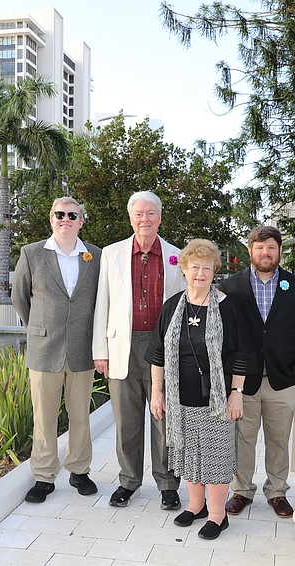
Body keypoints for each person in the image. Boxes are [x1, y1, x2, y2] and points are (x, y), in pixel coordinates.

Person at [146, 239, 247, 540]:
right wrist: (157, 391)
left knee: (215, 455)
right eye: (194, 267)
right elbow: (158, 354)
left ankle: (218, 515)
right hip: (180, 399)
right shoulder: (172, 306)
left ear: (214, 271)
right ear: (185, 271)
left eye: (206, 268)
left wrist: (236, 393)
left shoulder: (227, 307)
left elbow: (240, 353)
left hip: (215, 401)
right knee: (188, 453)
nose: (200, 274)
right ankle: (196, 505)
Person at [92, 191, 186, 509]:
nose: (144, 219)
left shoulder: (177, 256)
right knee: (127, 421)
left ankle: (168, 484)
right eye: (138, 214)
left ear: (160, 217)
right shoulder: (111, 254)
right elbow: (101, 304)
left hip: (163, 349)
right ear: (130, 218)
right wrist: (99, 351)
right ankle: (129, 482)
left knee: (164, 418)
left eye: (150, 213)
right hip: (123, 347)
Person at [219, 225, 295, 518]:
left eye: (271, 247)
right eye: (260, 247)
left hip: (283, 378)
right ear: (250, 250)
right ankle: (242, 491)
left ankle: (276, 492)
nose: (265, 253)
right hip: (243, 379)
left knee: (278, 438)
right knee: (243, 438)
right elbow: (223, 333)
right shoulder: (230, 286)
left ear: (279, 251)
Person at [11, 197, 102, 504]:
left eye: (72, 215)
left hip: (82, 348)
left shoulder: (95, 256)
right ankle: (44, 476)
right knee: (44, 416)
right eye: (59, 214)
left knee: (80, 415)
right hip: (44, 347)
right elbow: (20, 296)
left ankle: (79, 470)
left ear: (81, 220)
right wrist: (38, 326)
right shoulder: (33, 253)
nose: (66, 219)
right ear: (51, 219)